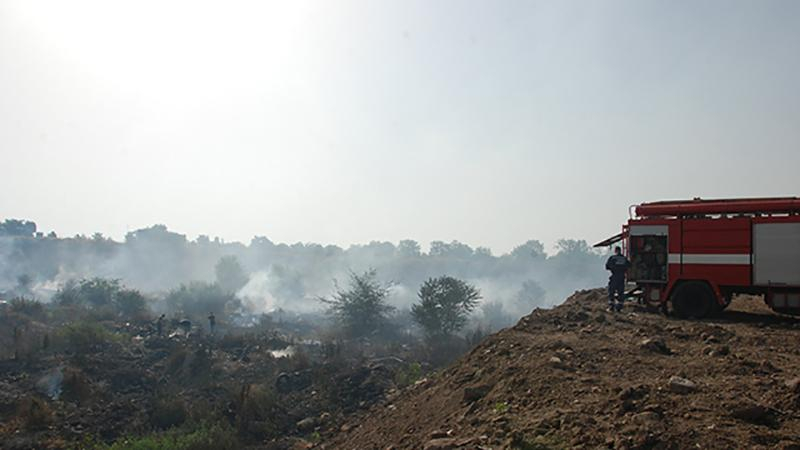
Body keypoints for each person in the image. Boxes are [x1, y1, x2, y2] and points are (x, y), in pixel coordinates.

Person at [605, 246, 631, 312]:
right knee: (621, 292)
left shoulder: (613, 258)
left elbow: (607, 266)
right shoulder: (624, 258)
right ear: (620, 250)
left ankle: (611, 307)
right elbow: (629, 265)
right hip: (622, 277)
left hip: (615, 276)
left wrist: (614, 268)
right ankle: (619, 307)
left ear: (615, 251)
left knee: (611, 291)